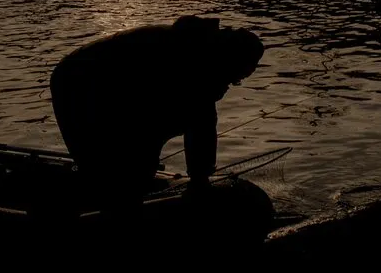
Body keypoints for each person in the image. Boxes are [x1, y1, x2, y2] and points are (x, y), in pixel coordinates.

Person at [50, 15, 265, 208]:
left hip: (113, 91)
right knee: (104, 170)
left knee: (131, 170)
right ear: (229, 59)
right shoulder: (188, 63)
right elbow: (173, 125)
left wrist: (198, 176)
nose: (234, 82)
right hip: (78, 84)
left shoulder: (200, 57)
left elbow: (195, 124)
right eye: (237, 75)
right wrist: (199, 181)